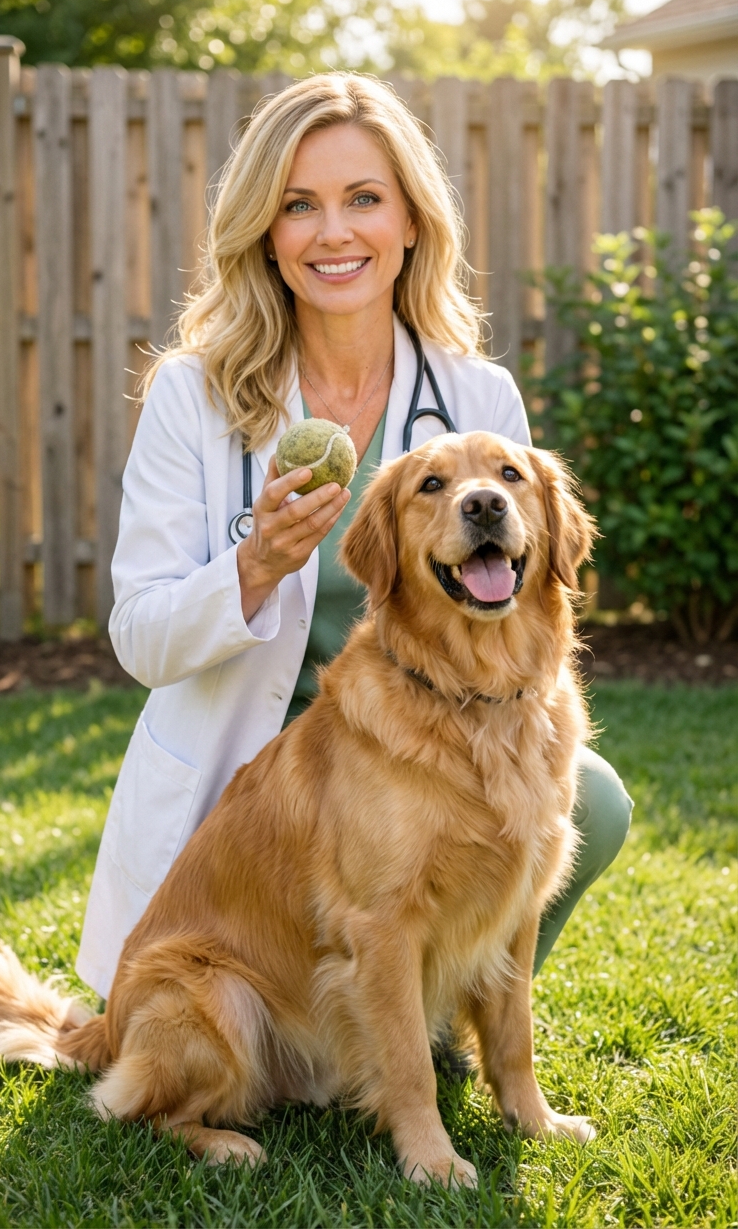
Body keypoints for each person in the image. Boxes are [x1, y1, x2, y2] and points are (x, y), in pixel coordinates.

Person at [76, 74, 631, 1004]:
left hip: (426, 738)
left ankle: (434, 1011)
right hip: (258, 774)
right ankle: (352, 1023)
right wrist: (252, 568)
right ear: (266, 233)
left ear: (411, 222)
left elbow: (528, 589)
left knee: (597, 800)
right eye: (299, 206)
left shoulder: (477, 394)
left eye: (363, 199)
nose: (333, 233)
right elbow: (139, 637)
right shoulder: (193, 394)